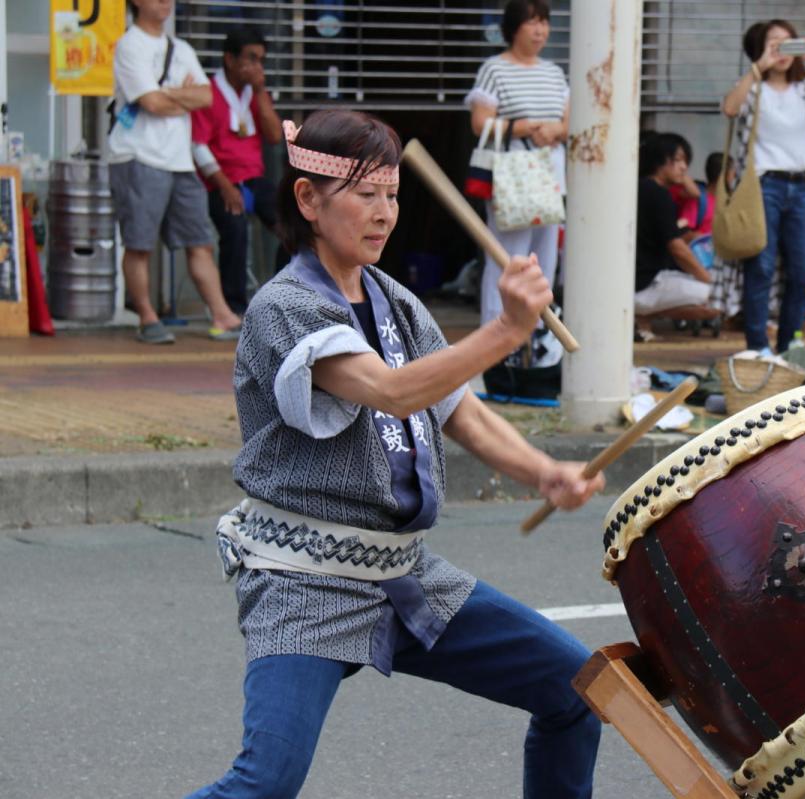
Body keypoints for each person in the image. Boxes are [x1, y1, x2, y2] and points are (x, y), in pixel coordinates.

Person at [186, 109, 605, 798]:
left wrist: (544, 470)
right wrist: (506, 329)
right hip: (306, 576)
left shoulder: (397, 303)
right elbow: (390, 391)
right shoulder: (284, 305)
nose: (384, 213)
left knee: (578, 691)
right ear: (308, 200)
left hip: (403, 573)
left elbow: (457, 408)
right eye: (364, 194)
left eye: (392, 194)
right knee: (264, 783)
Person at [109, 0, 242, 344]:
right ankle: (147, 317)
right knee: (139, 244)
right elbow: (151, 104)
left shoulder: (180, 47)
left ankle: (222, 315)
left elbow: (206, 98)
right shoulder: (129, 45)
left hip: (180, 160)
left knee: (200, 242)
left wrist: (167, 93)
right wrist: (178, 95)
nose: (165, 1)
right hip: (137, 155)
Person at [721, 21, 805, 354]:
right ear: (760, 49)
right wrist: (759, 67)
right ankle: (757, 348)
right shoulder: (753, 87)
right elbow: (730, 108)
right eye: (774, 44)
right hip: (763, 186)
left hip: (801, 189)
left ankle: (787, 346)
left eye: (787, 44)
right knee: (761, 268)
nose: (782, 51)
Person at [466, 0, 568, 325]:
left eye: (545, 22)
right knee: (507, 257)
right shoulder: (494, 69)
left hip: (550, 174)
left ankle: (536, 334)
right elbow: (480, 123)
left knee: (545, 258)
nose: (541, 30)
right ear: (513, 28)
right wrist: (526, 127)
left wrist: (554, 130)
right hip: (513, 174)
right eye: (532, 22)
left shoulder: (554, 73)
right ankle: (498, 333)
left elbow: (569, 122)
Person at [191, 29, 284, 316]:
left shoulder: (256, 93)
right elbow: (198, 146)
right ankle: (235, 308)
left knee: (295, 225)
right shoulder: (208, 93)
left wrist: (259, 93)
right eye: (251, 59)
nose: (257, 66)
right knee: (235, 228)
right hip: (217, 182)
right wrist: (224, 186)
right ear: (230, 60)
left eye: (261, 60)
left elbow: (274, 136)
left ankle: (283, 298)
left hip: (253, 178)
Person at [634, 133, 716, 341]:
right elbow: (678, 249)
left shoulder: (640, 188)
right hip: (645, 285)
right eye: (678, 160)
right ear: (660, 162)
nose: (684, 168)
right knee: (717, 299)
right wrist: (709, 280)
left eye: (685, 161)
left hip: (634, 282)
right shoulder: (658, 194)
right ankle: (640, 312)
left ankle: (639, 314)